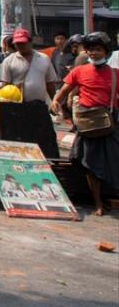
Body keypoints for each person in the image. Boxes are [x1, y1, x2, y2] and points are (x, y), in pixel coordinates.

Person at [51, 32, 119, 216]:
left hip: (108, 124)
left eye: (98, 49)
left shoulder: (115, 74)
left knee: (112, 162)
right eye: (90, 49)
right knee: (90, 165)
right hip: (87, 126)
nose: (94, 53)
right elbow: (63, 90)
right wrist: (56, 101)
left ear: (106, 51)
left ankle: (108, 198)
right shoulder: (79, 71)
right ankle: (97, 202)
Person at [0, 28, 59, 105]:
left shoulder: (44, 58)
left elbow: (50, 83)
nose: (20, 46)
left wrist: (54, 101)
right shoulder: (8, 61)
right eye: (17, 43)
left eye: (23, 43)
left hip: (39, 105)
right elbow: (5, 86)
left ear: (30, 42)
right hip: (17, 105)